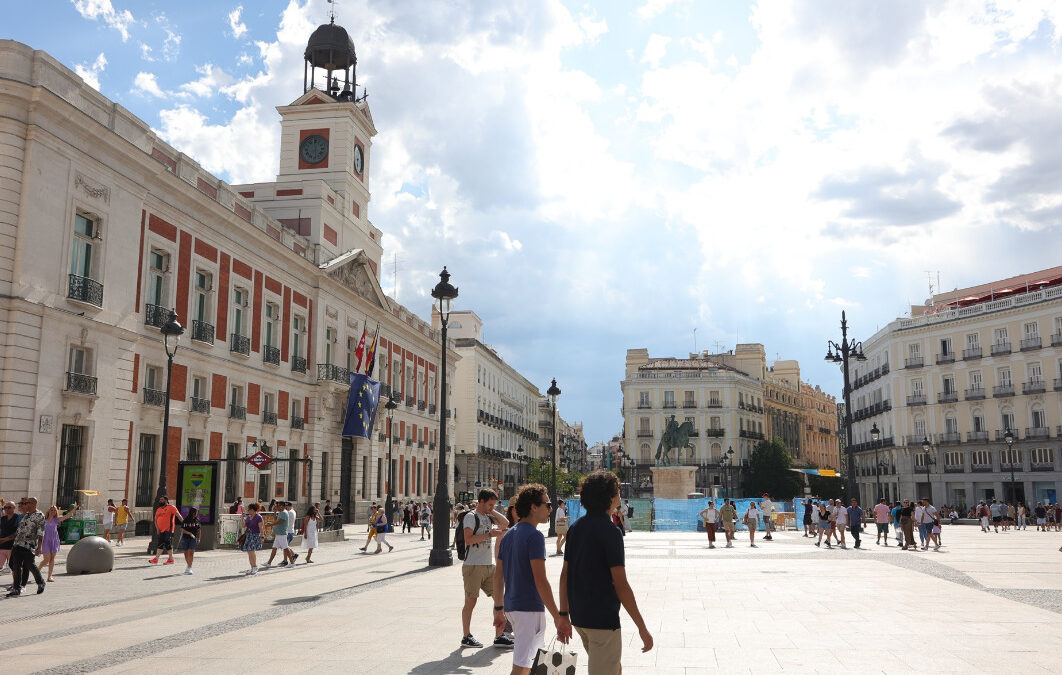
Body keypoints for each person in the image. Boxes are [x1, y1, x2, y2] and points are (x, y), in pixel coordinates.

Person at [560, 470, 652, 675]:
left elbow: (564, 574)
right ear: (610, 498)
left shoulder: (575, 527)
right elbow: (621, 585)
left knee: (613, 667)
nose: (619, 494)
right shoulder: (611, 532)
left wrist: (563, 614)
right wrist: (642, 627)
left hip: (580, 617)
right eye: (617, 491)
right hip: (602, 619)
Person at [492, 483, 570, 675]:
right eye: (547, 504)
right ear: (534, 507)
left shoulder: (509, 534)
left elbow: (498, 576)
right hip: (529, 609)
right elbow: (540, 581)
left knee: (528, 666)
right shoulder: (534, 536)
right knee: (521, 668)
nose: (550, 509)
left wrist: (498, 609)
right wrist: (558, 616)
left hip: (512, 607)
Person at [459, 488, 510, 649]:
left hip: (488, 566)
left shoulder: (488, 516)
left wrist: (492, 510)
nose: (491, 507)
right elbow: (468, 539)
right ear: (480, 501)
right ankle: (466, 636)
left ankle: (499, 636)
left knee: (499, 600)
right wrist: (489, 535)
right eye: (489, 504)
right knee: (470, 602)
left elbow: (505, 523)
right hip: (473, 565)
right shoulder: (470, 517)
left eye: (493, 504)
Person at [7, 497, 46, 596]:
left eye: (26, 503)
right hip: (18, 544)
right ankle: (17, 589)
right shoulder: (26, 516)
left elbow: (41, 533)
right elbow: (19, 530)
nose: (24, 505)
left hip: (29, 545)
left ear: (33, 504)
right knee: (16, 567)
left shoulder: (40, 516)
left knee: (30, 565)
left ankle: (41, 582)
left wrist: (39, 547)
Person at [40, 504, 76, 582]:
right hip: (45, 541)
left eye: (54, 510)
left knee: (52, 559)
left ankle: (49, 576)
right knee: (46, 559)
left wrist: (74, 509)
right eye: (51, 510)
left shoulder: (56, 519)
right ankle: (38, 570)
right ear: (49, 511)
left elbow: (67, 516)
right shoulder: (43, 520)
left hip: (54, 540)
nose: (53, 511)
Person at [151, 496, 182, 565]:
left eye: (162, 500)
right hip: (161, 530)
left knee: (165, 543)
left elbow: (178, 516)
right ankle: (167, 559)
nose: (160, 501)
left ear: (166, 501)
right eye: (160, 500)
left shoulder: (171, 507)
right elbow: (155, 520)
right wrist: (157, 529)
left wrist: (184, 524)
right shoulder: (158, 509)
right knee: (163, 544)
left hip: (169, 530)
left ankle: (159, 558)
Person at [263, 502, 294, 569]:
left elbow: (279, 522)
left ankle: (292, 562)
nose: (276, 507)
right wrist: (274, 512)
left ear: (282, 506)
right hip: (278, 533)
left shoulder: (284, 513)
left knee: (285, 548)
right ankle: (269, 563)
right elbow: (276, 519)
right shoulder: (281, 512)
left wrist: (269, 525)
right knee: (274, 548)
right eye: (276, 506)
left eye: (278, 506)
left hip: (282, 533)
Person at [0, 501, 21, 584]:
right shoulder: (2, 518)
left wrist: (5, 539)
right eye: (5, 507)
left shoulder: (18, 518)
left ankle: (15, 584)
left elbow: (17, 532)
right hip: (2, 546)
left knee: (14, 567)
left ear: (14, 508)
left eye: (9, 507)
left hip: (12, 546)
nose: (7, 509)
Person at [241, 502, 263, 574]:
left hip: (255, 535)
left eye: (249, 509)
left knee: (251, 551)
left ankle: (255, 567)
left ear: (253, 510)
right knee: (249, 552)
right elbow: (243, 526)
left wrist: (262, 537)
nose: (248, 511)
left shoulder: (258, 517)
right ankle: (252, 567)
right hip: (249, 535)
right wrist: (243, 518)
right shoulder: (248, 517)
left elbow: (261, 528)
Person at [179, 507, 200, 575]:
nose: (197, 514)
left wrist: (199, 538)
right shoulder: (185, 520)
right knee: (186, 553)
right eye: (196, 513)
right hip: (185, 538)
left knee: (191, 552)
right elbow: (182, 529)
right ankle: (188, 566)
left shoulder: (197, 521)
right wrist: (189, 533)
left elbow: (199, 530)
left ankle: (189, 567)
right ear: (193, 513)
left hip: (193, 539)